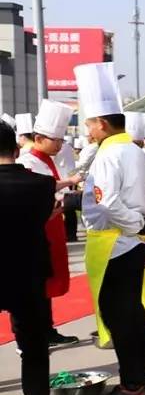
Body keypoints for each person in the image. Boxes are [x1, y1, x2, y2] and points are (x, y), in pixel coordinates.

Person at [75, 61, 145, 395]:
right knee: (132, 312)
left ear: (102, 123)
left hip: (116, 244)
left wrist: (133, 224)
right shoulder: (133, 150)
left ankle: (132, 384)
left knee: (118, 315)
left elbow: (106, 201)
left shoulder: (110, 155)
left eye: (90, 124)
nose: (88, 130)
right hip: (131, 242)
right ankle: (140, 378)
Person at [0, 120, 57, 395]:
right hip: (28, 269)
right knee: (33, 341)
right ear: (15, 147)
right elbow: (41, 217)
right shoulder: (42, 185)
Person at [16, 100, 81, 346]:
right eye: (57, 140)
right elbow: (38, 190)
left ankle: (48, 328)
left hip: (52, 221)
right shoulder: (29, 161)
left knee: (50, 275)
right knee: (42, 278)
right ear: (40, 138)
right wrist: (68, 182)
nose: (60, 145)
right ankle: (42, 331)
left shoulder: (45, 160)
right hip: (40, 226)